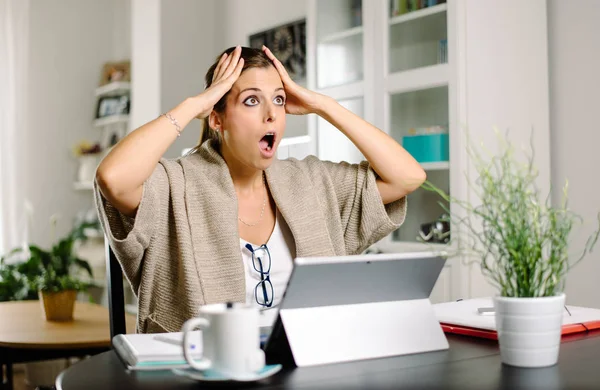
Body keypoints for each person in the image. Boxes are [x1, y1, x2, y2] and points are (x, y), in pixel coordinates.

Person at [94, 45, 426, 333]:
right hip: (201, 372)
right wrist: (197, 104)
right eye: (252, 100)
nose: (271, 114)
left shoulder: (311, 181)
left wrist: (324, 105)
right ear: (217, 118)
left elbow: (407, 176)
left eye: (279, 100)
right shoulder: (175, 185)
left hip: (304, 368)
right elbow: (113, 178)